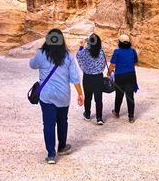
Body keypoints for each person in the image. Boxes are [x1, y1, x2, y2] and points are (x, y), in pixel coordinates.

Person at [29, 29, 83, 165]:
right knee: (62, 121)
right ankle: (62, 147)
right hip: (63, 95)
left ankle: (51, 155)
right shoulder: (68, 56)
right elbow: (75, 77)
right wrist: (80, 93)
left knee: (48, 123)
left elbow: (32, 65)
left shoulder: (41, 54)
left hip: (46, 95)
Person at [76, 32, 107, 125]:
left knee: (88, 97)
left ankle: (88, 115)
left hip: (88, 77)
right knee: (98, 98)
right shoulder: (101, 52)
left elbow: (78, 56)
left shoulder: (85, 51)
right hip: (98, 77)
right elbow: (103, 64)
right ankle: (99, 118)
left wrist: (81, 46)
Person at [107, 33, 138, 123]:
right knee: (130, 96)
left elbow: (113, 64)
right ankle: (131, 117)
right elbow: (135, 63)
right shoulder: (133, 51)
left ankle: (116, 112)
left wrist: (108, 73)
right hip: (131, 75)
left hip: (120, 76)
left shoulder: (117, 52)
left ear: (119, 42)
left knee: (119, 95)